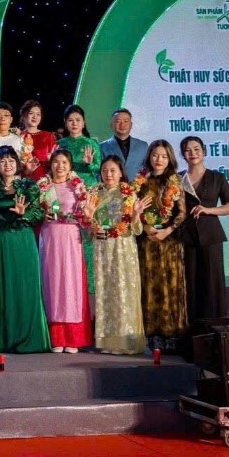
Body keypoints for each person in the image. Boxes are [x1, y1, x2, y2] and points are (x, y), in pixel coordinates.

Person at [0, 146, 49, 353]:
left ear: (18, 164)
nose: (7, 164)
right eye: (3, 161)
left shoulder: (29, 186)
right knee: (2, 288)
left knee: (25, 286)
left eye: (11, 160)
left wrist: (23, 213)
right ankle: (4, 336)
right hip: (0, 242)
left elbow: (38, 215)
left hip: (23, 240)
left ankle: (29, 337)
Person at [84, 155, 145, 355]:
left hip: (123, 247)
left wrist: (136, 215)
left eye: (112, 170)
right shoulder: (94, 193)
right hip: (102, 248)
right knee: (105, 292)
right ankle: (108, 343)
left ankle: (126, 342)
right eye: (104, 170)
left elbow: (136, 229)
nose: (108, 174)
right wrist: (89, 220)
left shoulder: (128, 193)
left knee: (124, 290)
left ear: (120, 173)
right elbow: (88, 230)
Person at [178, 134, 229, 326]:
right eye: (188, 150)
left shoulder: (217, 177)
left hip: (211, 236)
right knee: (189, 283)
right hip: (185, 238)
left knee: (212, 284)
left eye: (196, 149)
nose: (193, 153)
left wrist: (209, 210)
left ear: (204, 152)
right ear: (183, 155)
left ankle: (215, 329)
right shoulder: (178, 179)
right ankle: (191, 330)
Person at [37, 149, 91, 353]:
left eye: (64, 162)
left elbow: (86, 217)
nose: (60, 166)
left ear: (70, 166)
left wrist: (86, 216)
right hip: (50, 237)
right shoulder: (42, 186)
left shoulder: (77, 187)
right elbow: (34, 213)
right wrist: (42, 215)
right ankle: (56, 336)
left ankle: (72, 338)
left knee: (70, 283)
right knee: (52, 282)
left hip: (71, 238)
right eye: (56, 162)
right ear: (50, 164)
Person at [137, 140, 188, 352]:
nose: (159, 160)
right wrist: (145, 227)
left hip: (169, 242)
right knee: (150, 285)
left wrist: (168, 230)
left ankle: (172, 334)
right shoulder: (140, 181)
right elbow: (133, 210)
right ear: (149, 156)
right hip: (148, 242)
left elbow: (182, 213)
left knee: (171, 286)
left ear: (170, 159)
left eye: (164, 156)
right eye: (155, 155)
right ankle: (152, 334)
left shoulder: (175, 181)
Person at [55, 105, 102, 188]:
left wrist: (89, 164)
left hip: (87, 187)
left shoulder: (92, 143)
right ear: (65, 123)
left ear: (83, 123)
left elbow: (99, 168)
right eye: (70, 120)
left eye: (78, 120)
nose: (74, 123)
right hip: (65, 186)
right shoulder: (59, 144)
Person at [100, 108, 148, 183]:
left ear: (131, 125)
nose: (122, 125)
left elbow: (147, 169)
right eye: (118, 121)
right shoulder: (102, 147)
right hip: (112, 189)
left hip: (137, 188)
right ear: (111, 125)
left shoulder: (143, 146)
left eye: (126, 121)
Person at [17, 100, 56, 181]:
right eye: (31, 113)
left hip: (44, 182)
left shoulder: (48, 136)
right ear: (24, 115)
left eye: (38, 114)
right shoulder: (17, 137)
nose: (35, 117)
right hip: (22, 181)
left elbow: (55, 160)